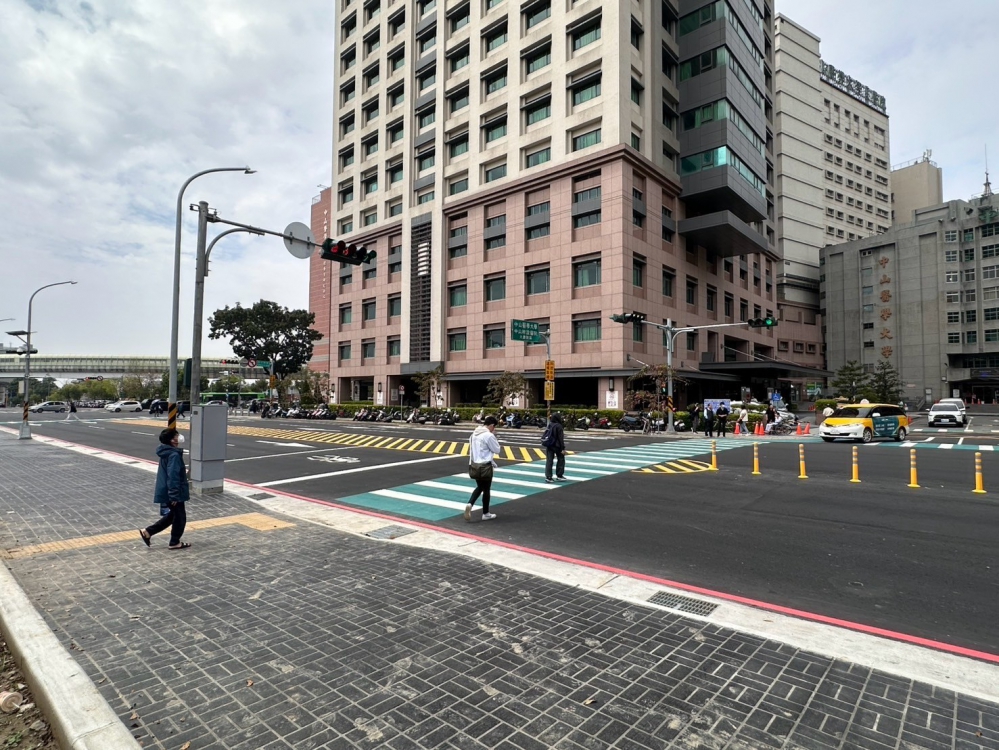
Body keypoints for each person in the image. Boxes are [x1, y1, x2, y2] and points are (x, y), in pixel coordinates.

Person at [139, 428, 191, 550]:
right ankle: (174, 542)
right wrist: (174, 495)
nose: (179, 437)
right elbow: (173, 476)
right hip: (172, 492)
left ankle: (148, 532)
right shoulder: (174, 455)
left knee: (173, 516)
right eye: (177, 435)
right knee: (180, 518)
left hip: (167, 489)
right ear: (172, 440)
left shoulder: (166, 451)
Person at [465, 416, 501, 522]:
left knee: (480, 487)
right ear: (492, 425)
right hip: (485, 466)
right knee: (486, 489)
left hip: (475, 465)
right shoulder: (488, 435)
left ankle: (470, 503)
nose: (494, 429)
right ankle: (486, 513)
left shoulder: (474, 434)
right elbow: (497, 450)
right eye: (494, 427)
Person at [543, 413, 566, 483]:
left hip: (549, 445)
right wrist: (563, 448)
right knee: (561, 459)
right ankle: (559, 475)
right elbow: (560, 438)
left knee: (549, 461)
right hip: (557, 446)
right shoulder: (559, 426)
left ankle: (548, 477)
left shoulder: (550, 424)